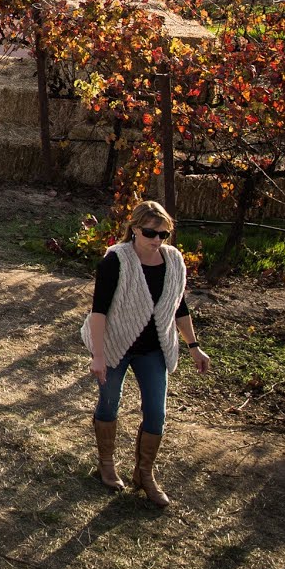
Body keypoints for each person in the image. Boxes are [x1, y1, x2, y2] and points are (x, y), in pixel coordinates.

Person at [84, 200, 210, 507]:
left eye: (163, 234)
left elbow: (178, 305)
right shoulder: (116, 260)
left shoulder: (173, 261)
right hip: (115, 344)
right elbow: (98, 312)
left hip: (154, 348)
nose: (157, 240)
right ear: (135, 229)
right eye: (150, 233)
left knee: (156, 413)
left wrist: (194, 346)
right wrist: (98, 356)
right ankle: (107, 463)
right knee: (109, 402)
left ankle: (145, 473)